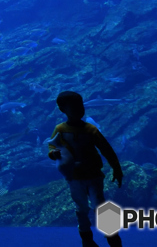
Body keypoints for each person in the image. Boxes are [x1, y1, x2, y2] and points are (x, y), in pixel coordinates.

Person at [47, 90, 124, 247]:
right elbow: (52, 146)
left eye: (80, 106)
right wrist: (53, 154)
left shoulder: (91, 129)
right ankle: (87, 239)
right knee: (81, 208)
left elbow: (106, 150)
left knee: (100, 205)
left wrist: (117, 168)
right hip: (74, 177)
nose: (79, 110)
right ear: (63, 109)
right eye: (73, 107)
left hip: (94, 175)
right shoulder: (60, 129)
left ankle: (112, 235)